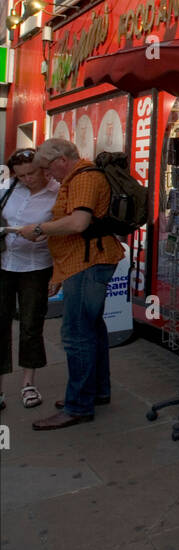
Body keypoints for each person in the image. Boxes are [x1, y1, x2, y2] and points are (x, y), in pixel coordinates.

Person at [17, 138, 123, 430]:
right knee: (92, 329)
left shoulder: (84, 179)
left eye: (48, 168)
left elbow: (78, 223)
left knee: (77, 334)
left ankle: (78, 405)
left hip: (88, 265)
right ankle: (96, 391)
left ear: (62, 159)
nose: (48, 174)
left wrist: (39, 229)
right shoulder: (78, 178)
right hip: (84, 263)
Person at [0, 150, 59, 410]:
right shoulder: (8, 187)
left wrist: (43, 235)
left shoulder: (57, 192)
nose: (27, 179)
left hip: (35, 267)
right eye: (21, 175)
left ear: (43, 168)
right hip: (3, 264)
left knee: (30, 324)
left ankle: (28, 383)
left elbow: (64, 229)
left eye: (31, 173)